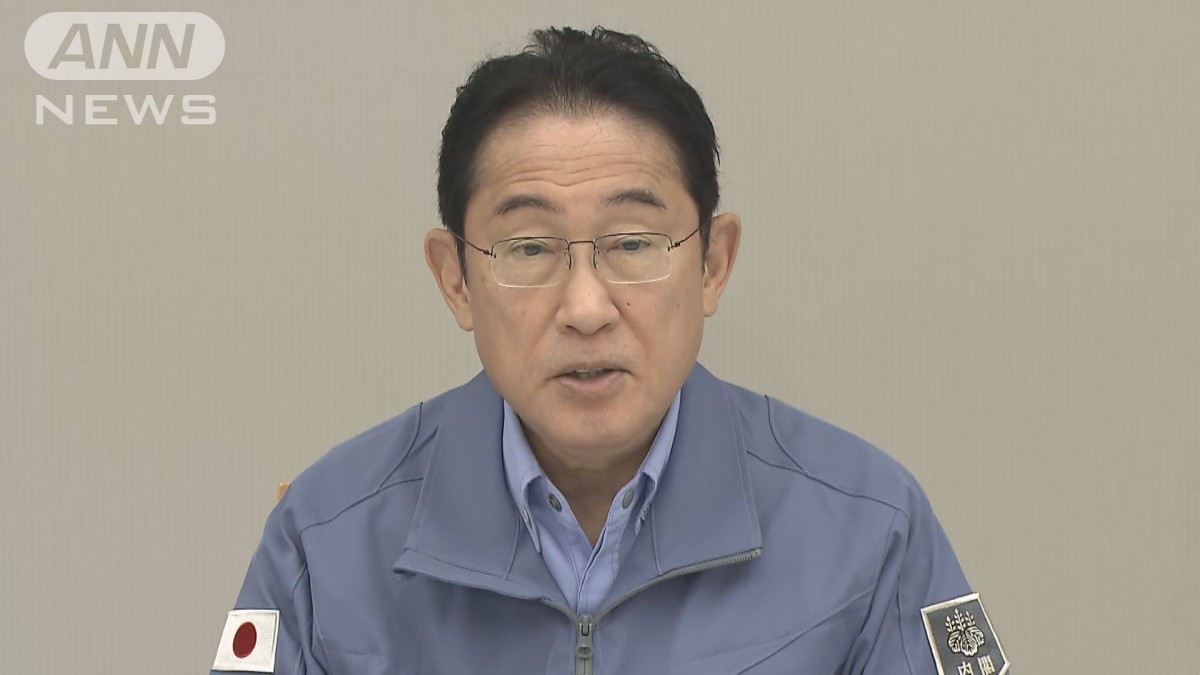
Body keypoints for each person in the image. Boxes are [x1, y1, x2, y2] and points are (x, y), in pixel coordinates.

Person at [211, 26, 1008, 675]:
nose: (586, 309)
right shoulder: (326, 540)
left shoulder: (868, 528)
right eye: (529, 248)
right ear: (456, 279)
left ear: (713, 263)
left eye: (633, 242)